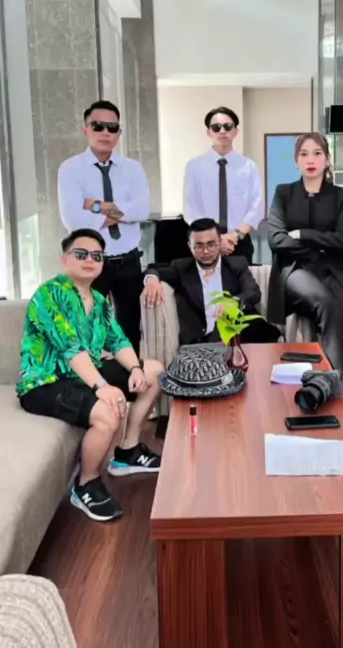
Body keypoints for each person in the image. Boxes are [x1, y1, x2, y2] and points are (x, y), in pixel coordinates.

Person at [17, 229, 163, 523]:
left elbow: (118, 341)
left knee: (154, 371)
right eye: (81, 254)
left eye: (97, 256)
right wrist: (102, 387)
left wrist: (135, 369)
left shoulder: (98, 300)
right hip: (46, 382)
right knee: (108, 411)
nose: (90, 260)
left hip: (84, 373)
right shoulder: (50, 294)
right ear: (65, 259)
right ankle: (85, 484)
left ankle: (127, 452)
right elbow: (70, 349)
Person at [58, 100, 151, 354]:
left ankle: (130, 375)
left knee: (129, 330)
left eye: (112, 127)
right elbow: (74, 220)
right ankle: (90, 377)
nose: (105, 132)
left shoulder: (133, 169)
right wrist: (121, 212)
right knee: (86, 327)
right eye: (98, 126)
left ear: (119, 133)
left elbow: (141, 211)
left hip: (129, 261)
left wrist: (95, 206)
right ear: (85, 129)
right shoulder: (71, 169)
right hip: (89, 261)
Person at [267, 132, 343, 378]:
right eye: (304, 154)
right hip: (295, 270)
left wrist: (304, 235)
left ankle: (337, 380)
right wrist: (322, 244)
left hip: (332, 269)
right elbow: (276, 239)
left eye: (317, 153)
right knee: (326, 301)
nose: (311, 160)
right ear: (296, 160)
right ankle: (341, 381)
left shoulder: (342, 196)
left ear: (327, 160)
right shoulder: (284, 193)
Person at [143, 218, 281, 345]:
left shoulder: (236, 265)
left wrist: (233, 302)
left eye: (211, 244)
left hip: (241, 338)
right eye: (199, 246)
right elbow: (153, 269)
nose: (206, 251)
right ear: (190, 246)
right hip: (202, 343)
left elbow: (253, 292)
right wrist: (152, 280)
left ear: (219, 242)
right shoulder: (182, 269)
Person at [183, 107, 264, 264]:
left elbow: (256, 207)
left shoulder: (249, 167)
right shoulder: (195, 166)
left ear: (235, 131)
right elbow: (191, 209)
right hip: (205, 244)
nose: (222, 131)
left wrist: (235, 236)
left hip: (239, 242)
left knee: (242, 280)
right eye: (216, 127)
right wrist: (215, 240)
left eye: (227, 127)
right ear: (209, 132)